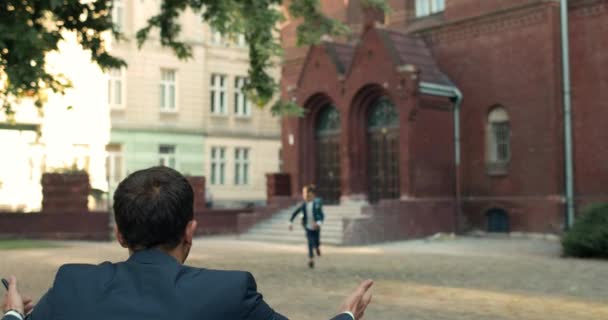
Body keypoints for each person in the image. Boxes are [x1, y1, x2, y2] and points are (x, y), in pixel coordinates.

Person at [2, 167, 373, 320]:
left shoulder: (71, 287)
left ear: (119, 234)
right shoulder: (230, 293)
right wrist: (344, 316)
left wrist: (14, 315)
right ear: (190, 231)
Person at [289, 184, 324, 269]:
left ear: (312, 194)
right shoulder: (303, 205)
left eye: (306, 193)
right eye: (303, 193)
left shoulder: (317, 203)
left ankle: (317, 247)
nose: (304, 195)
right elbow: (295, 213)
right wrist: (290, 222)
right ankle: (311, 259)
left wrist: (318, 223)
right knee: (310, 242)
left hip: (316, 227)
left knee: (316, 241)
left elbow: (321, 215)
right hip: (308, 227)